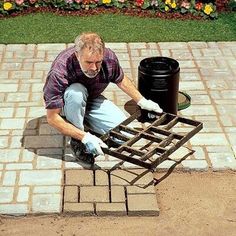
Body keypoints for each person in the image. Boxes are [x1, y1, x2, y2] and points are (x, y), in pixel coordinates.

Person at [43, 32, 162, 164]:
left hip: (91, 99)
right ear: (77, 55)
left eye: (98, 62)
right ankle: (77, 139)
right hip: (66, 103)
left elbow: (121, 80)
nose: (94, 68)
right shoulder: (60, 71)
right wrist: (84, 137)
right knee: (76, 93)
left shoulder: (109, 58)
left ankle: (85, 120)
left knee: (125, 137)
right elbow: (52, 118)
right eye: (88, 62)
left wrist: (142, 101)